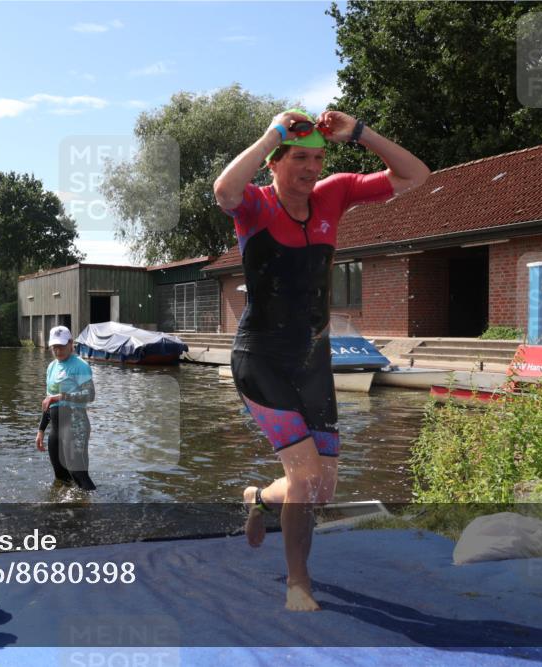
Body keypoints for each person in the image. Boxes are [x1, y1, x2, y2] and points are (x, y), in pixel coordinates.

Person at [213, 108, 429, 611]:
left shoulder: (335, 193)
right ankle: (298, 583)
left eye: (317, 158)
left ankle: (258, 498)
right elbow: (224, 191)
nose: (311, 168)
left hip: (312, 360)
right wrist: (272, 131)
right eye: (299, 159)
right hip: (260, 359)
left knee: (320, 489)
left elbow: (416, 176)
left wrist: (360, 133)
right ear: (274, 162)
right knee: (306, 479)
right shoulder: (257, 206)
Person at [35, 325, 97, 491]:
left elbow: (90, 395)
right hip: (56, 430)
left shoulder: (80, 366)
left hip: (76, 427)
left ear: (71, 343)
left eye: (61, 346)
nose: (58, 350)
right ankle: (65, 512)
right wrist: (41, 430)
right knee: (60, 476)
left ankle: (94, 512)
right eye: (54, 347)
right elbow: (48, 401)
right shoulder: (51, 367)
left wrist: (61, 396)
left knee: (79, 474)